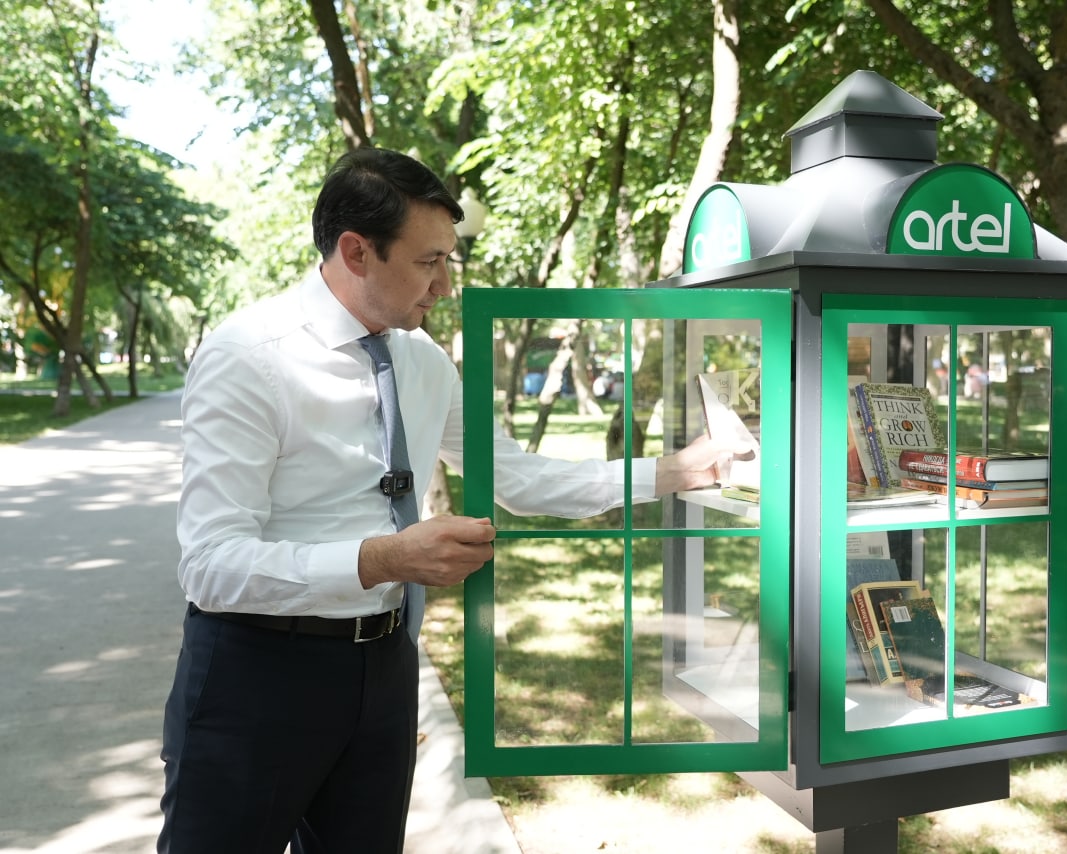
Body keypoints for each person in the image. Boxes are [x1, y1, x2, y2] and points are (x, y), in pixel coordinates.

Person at [159, 147, 729, 853]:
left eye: (449, 260)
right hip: (256, 674)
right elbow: (211, 565)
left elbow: (517, 478)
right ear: (356, 252)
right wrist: (385, 559)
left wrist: (671, 472)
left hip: (386, 668)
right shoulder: (248, 356)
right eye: (429, 261)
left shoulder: (423, 361)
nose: (445, 285)